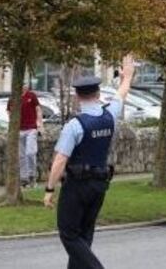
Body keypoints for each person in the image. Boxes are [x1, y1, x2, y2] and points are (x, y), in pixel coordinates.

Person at [44, 55, 135, 269]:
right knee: (84, 235)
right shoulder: (109, 115)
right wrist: (127, 77)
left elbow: (60, 160)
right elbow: (121, 95)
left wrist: (49, 189)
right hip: (100, 184)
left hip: (77, 185)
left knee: (69, 234)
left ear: (76, 96)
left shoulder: (74, 125)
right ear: (98, 93)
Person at [8, 84, 46, 188]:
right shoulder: (13, 97)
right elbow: (9, 111)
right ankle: (24, 178)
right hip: (19, 130)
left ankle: (32, 176)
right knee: (21, 155)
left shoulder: (31, 96)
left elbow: (38, 109)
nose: (24, 86)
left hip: (31, 128)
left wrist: (40, 125)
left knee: (30, 153)